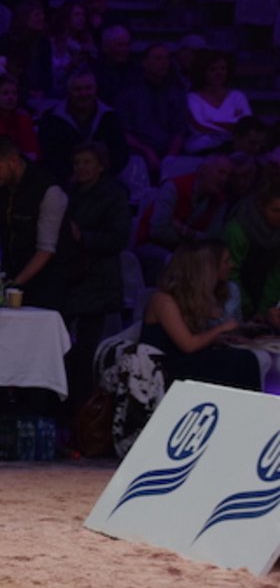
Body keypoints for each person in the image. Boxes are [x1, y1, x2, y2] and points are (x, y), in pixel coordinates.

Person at [57, 141, 130, 412]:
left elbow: (120, 236)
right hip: (73, 277)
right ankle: (65, 407)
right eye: (78, 163)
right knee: (68, 348)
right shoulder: (70, 192)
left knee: (89, 350)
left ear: (100, 166)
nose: (82, 168)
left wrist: (83, 236)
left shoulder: (113, 194)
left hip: (99, 280)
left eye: (88, 162)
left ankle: (84, 411)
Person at [140, 241, 261, 390]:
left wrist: (219, 339)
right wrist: (222, 328)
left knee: (246, 359)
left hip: (184, 359)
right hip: (164, 367)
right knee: (239, 362)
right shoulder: (163, 300)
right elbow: (189, 345)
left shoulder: (192, 297)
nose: (232, 266)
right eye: (226, 262)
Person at [0, 134, 66, 309]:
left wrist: (15, 284)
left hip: (48, 277)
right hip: (11, 268)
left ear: (13, 161)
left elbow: (46, 248)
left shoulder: (48, 190)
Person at [36, 68, 127, 184]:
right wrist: (72, 177)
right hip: (64, 182)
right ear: (68, 91)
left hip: (104, 180)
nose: (83, 94)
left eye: (88, 88)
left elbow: (120, 153)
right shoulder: (52, 119)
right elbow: (49, 156)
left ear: (95, 90)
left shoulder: (110, 117)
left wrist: (100, 176)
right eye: (77, 89)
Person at [115, 43, 187, 182]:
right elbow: (123, 131)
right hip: (137, 151)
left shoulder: (177, 91)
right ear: (145, 62)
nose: (163, 63)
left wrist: (170, 156)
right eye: (158, 59)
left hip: (170, 151)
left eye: (166, 59)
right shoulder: (128, 92)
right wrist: (146, 151)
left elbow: (180, 129)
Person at [224, 171, 280, 322]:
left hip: (263, 294)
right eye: (275, 210)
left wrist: (263, 310)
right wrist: (247, 308)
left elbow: (276, 275)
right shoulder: (238, 230)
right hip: (231, 293)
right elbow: (230, 273)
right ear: (261, 206)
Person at [184, 51, 252, 156]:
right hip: (202, 149)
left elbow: (247, 124)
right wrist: (234, 126)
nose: (219, 72)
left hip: (234, 148)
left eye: (223, 68)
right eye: (213, 69)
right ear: (202, 71)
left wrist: (213, 122)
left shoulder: (238, 96)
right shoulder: (192, 98)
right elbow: (200, 125)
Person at [0, 73, 37, 162]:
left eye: (14, 93)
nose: (11, 97)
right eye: (5, 93)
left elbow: (33, 151)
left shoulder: (24, 119)